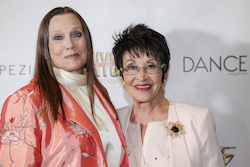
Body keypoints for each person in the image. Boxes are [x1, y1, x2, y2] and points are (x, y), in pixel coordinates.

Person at [0, 7, 128, 167]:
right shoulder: (25, 100)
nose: (70, 44)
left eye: (77, 34)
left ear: (87, 42)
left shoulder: (99, 92)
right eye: (58, 37)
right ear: (45, 50)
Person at [112, 24, 225, 167]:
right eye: (132, 67)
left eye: (151, 66)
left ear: (164, 71)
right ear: (122, 74)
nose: (141, 76)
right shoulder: (112, 123)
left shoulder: (197, 120)